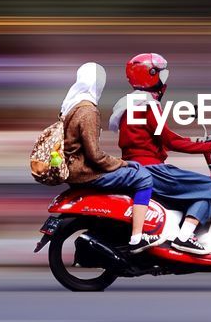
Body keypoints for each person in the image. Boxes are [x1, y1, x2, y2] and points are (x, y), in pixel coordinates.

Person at [109, 53, 211, 254]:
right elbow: (170, 141)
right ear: (150, 75)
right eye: (160, 74)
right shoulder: (148, 105)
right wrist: (209, 146)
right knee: (209, 186)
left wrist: (195, 141)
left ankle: (179, 233)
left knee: (195, 190)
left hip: (135, 167)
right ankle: (185, 237)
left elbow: (156, 139)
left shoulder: (127, 106)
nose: (163, 79)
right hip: (153, 170)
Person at [60, 62, 156, 253]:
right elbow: (95, 156)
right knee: (143, 177)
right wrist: (123, 163)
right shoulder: (88, 111)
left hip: (73, 170)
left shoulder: (70, 107)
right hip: (85, 172)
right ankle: (138, 237)